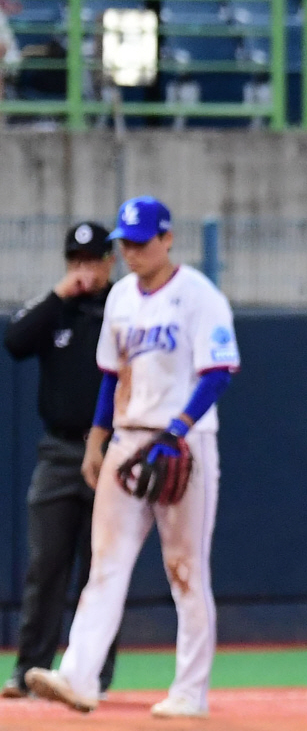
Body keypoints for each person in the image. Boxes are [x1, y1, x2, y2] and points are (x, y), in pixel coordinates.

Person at [24, 196, 240, 719]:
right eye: (125, 243)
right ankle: (79, 677)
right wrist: (97, 441)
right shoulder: (121, 295)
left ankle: (190, 690)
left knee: (186, 570)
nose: (132, 251)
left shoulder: (198, 296)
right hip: (127, 439)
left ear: (168, 239)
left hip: (183, 441)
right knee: (106, 564)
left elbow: (219, 370)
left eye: (142, 242)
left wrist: (177, 430)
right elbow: (111, 374)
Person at [2, 223, 120, 699]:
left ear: (109, 262)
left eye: (93, 260)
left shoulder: (122, 307)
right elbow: (14, 341)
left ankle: (93, 676)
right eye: (76, 261)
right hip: (58, 450)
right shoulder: (57, 309)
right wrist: (58, 293)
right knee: (45, 563)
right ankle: (28, 669)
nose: (84, 271)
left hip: (113, 453)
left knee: (103, 568)